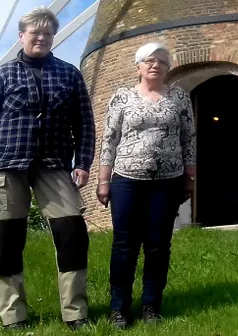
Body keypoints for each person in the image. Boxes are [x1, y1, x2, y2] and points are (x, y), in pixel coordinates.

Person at [0, 7, 95, 330]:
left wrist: (83, 163)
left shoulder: (68, 74)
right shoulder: (1, 75)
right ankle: (13, 316)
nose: (41, 38)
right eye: (35, 33)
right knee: (6, 239)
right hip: (6, 163)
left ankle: (75, 312)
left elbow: (84, 122)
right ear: (22, 36)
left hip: (54, 163)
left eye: (47, 34)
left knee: (72, 232)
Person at [96, 42, 195, 328]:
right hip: (127, 179)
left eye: (162, 62)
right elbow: (109, 139)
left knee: (158, 245)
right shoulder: (122, 97)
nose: (156, 65)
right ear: (138, 66)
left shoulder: (179, 97)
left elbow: (189, 138)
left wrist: (189, 177)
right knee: (124, 245)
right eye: (150, 60)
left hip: (168, 181)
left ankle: (151, 305)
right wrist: (103, 180)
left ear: (168, 68)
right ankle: (119, 308)